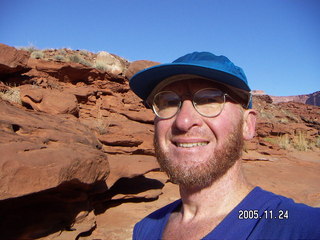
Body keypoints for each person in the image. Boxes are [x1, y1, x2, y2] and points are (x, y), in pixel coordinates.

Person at [129, 52, 320, 240]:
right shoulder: (145, 229)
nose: (183, 121)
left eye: (209, 100)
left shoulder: (301, 227)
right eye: (168, 102)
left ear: (247, 125)